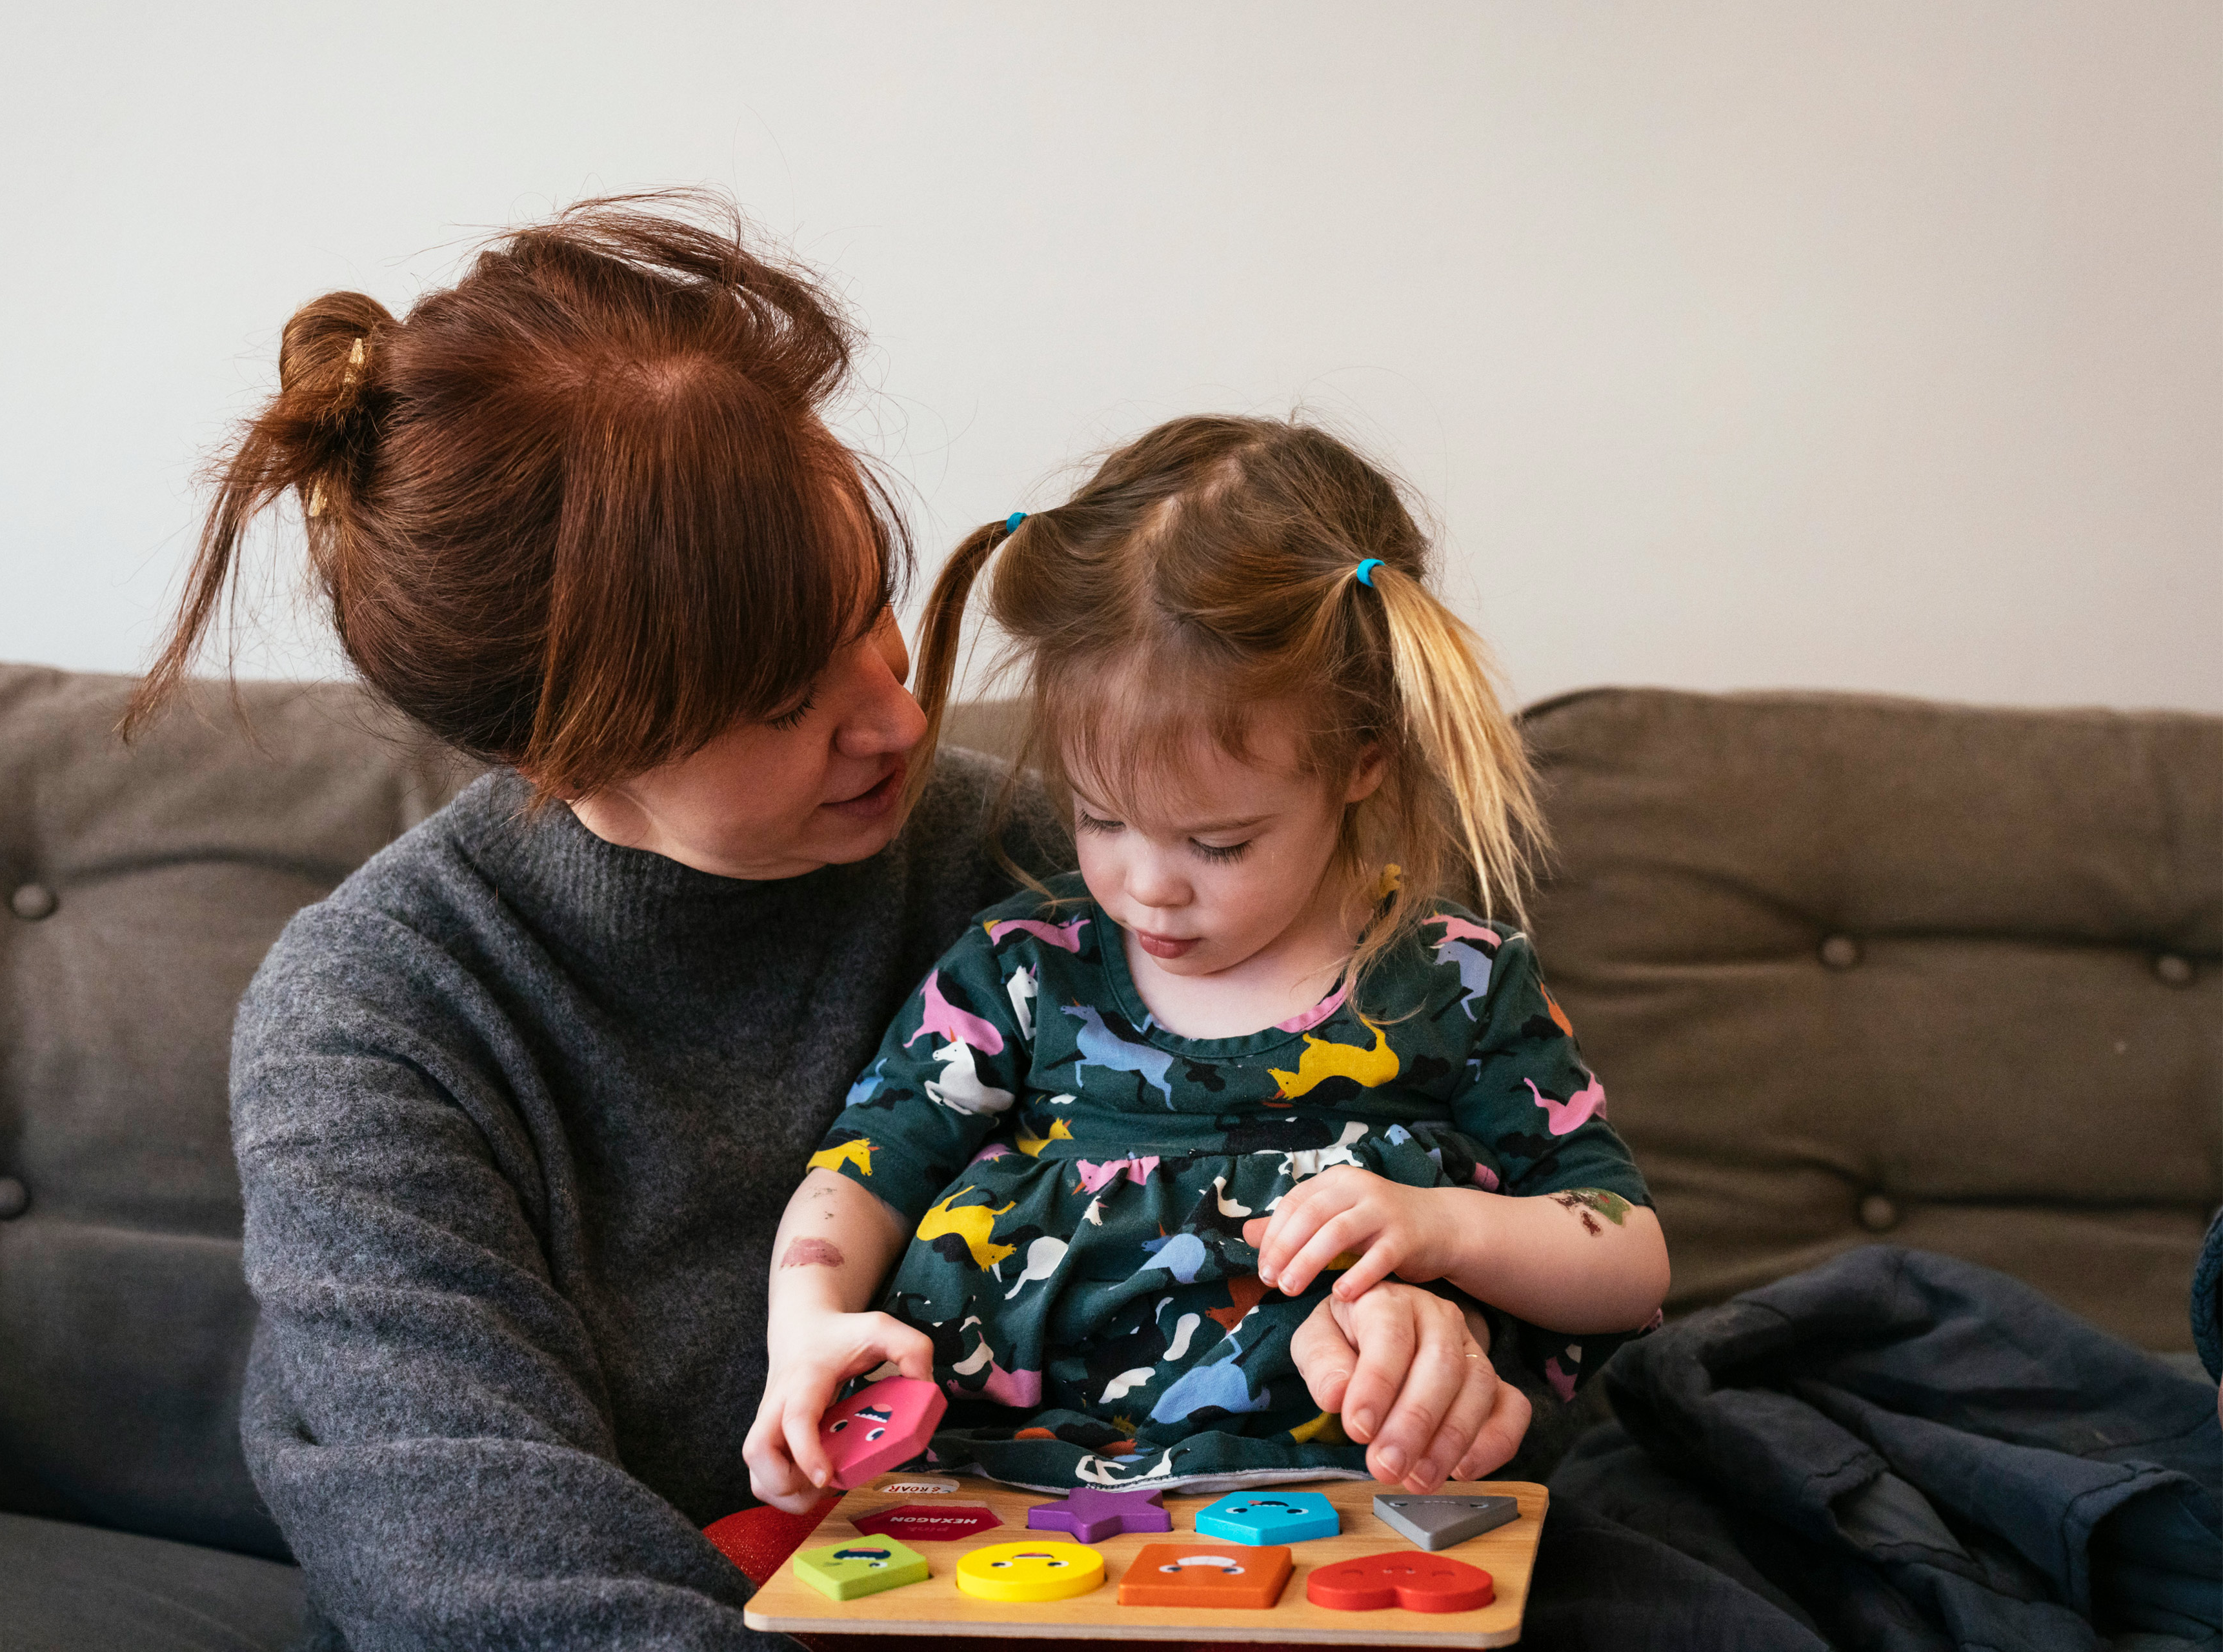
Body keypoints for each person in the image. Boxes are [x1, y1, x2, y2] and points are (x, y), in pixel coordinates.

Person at [124, 197, 1531, 1649]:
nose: (899, 713)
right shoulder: (377, 1014)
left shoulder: (1054, 867)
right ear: (565, 745)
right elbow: (471, 1551)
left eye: (871, 604)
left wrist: (1437, 1333)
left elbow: (1421, 1125)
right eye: (789, 696)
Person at [747, 416, 1667, 1510]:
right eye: (1099, 820)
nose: (1147, 887)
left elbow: (1629, 1260)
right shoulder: (1021, 973)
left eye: (1218, 844)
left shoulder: (1454, 984)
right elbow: (861, 1172)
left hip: (1348, 1504)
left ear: (1362, 757)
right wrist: (806, 1329)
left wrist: (1448, 1227)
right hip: (1006, 1495)